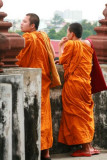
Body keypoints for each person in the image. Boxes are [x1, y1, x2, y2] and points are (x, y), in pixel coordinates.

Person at [16, 13, 61, 160]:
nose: (21, 24)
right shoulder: (44, 37)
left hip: (30, 82)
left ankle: (33, 151)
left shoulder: (28, 38)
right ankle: (46, 152)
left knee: (34, 116)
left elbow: (18, 59)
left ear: (32, 25)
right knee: (45, 116)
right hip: (44, 82)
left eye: (24, 21)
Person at [56, 23, 100, 157]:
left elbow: (62, 59)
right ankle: (90, 146)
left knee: (77, 115)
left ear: (72, 34)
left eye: (68, 32)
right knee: (86, 113)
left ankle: (85, 148)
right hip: (86, 84)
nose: (67, 35)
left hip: (74, 84)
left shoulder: (70, 45)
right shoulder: (87, 44)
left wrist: (60, 46)